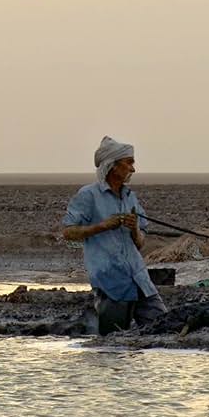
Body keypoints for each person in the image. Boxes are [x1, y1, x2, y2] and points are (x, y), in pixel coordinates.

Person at [62, 136, 167, 335]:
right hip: (111, 284)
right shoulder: (88, 195)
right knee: (112, 343)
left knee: (164, 329)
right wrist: (102, 226)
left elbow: (140, 242)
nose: (133, 169)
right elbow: (68, 232)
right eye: (129, 163)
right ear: (113, 166)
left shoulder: (130, 197)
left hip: (140, 280)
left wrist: (135, 229)